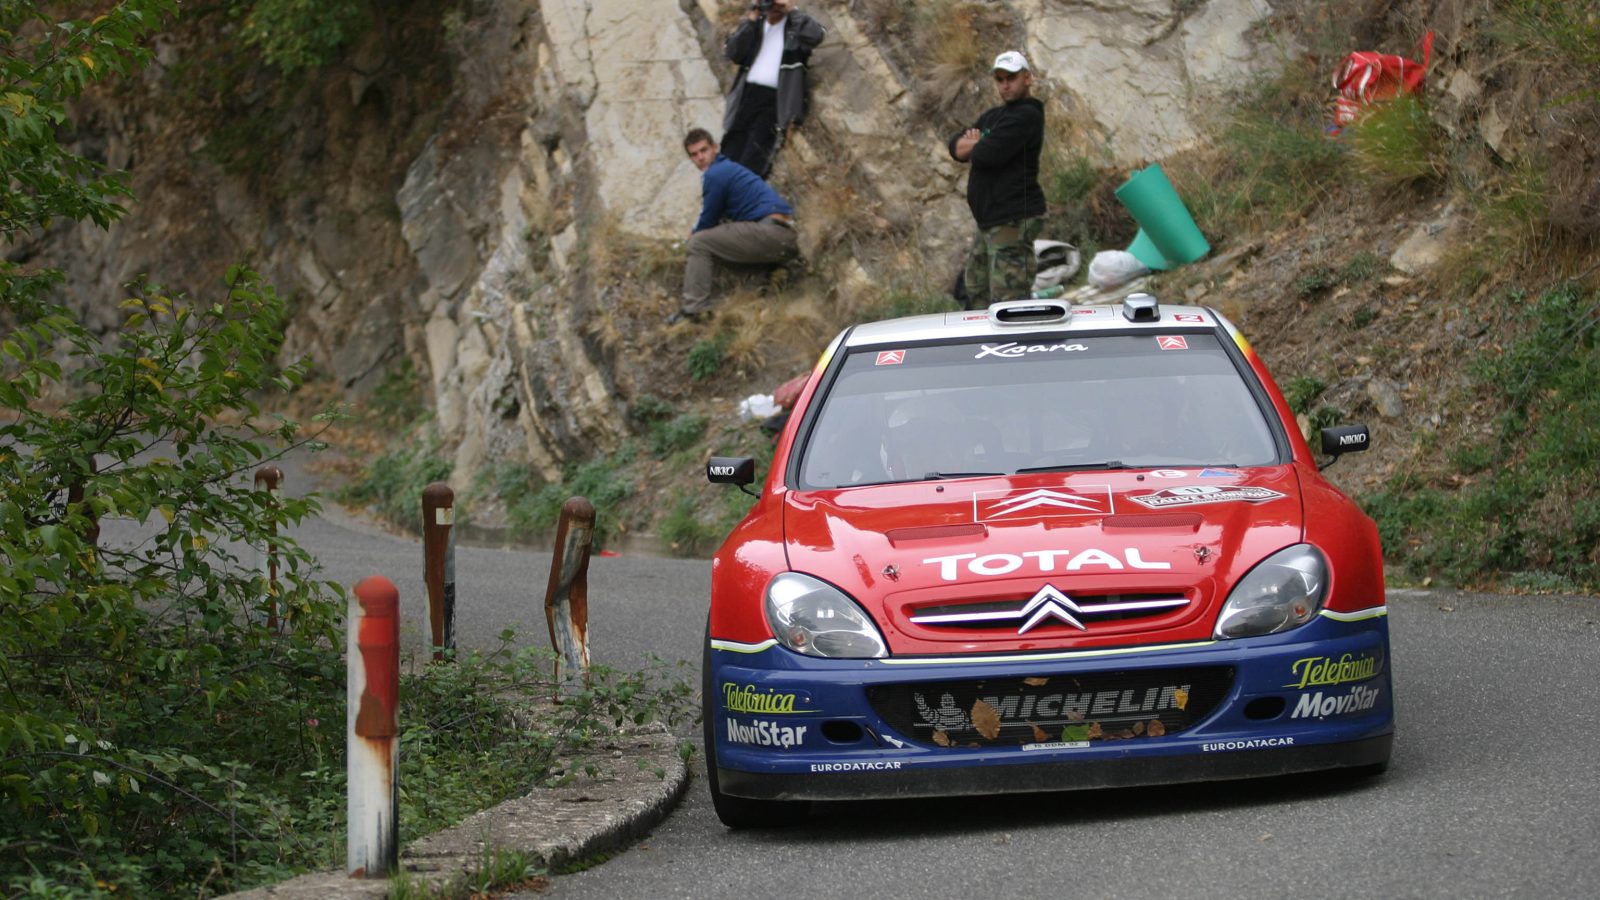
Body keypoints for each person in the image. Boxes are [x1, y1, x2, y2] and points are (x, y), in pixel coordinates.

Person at [947, 50, 1048, 309]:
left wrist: (977, 143)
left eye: (1011, 78)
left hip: (1013, 218)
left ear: (1027, 78)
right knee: (973, 290)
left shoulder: (1027, 115)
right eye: (1000, 79)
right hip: (989, 221)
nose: (1005, 85)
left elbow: (987, 154)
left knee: (1009, 301)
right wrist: (978, 142)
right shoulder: (993, 117)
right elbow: (954, 147)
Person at [671, 128, 799, 324]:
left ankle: (694, 310)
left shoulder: (716, 173)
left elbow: (708, 219)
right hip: (780, 237)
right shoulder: (728, 169)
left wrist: (692, 235)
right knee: (722, 243)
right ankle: (762, 283)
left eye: (704, 150)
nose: (700, 158)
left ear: (715, 148)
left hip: (770, 233)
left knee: (698, 243)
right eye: (694, 155)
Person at [721, 0, 826, 178]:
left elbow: (817, 36)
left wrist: (791, 10)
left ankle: (746, 192)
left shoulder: (794, 27)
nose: (773, 5)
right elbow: (732, 52)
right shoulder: (756, 25)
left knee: (755, 156)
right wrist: (750, 20)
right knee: (730, 150)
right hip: (747, 95)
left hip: (776, 99)